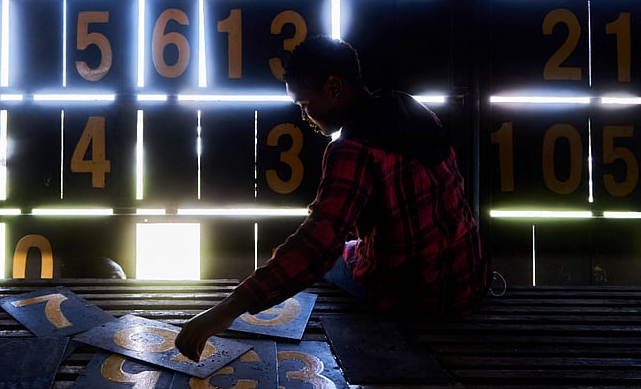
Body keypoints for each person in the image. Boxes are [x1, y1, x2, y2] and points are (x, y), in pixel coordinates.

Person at [175, 36, 488, 361]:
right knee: (341, 249)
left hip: (413, 297)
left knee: (314, 259)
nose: (304, 115)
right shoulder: (413, 111)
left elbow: (318, 246)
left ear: (334, 87)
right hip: (466, 279)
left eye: (304, 104)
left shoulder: (352, 149)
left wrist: (228, 309)